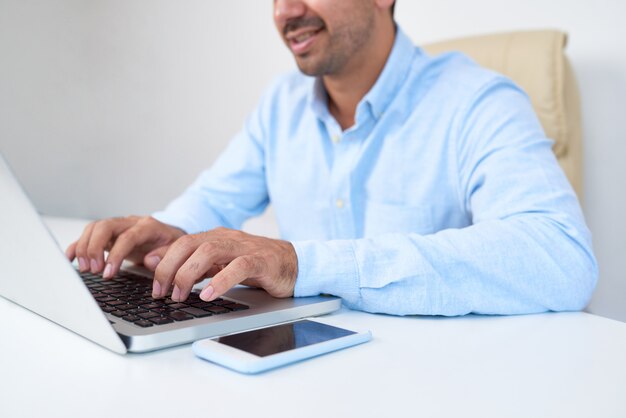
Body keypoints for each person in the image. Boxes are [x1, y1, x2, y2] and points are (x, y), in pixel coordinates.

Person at [66, 0, 598, 316]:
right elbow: (217, 195)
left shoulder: (478, 101)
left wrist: (301, 264)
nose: (285, 12)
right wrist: (169, 230)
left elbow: (561, 257)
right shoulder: (282, 105)